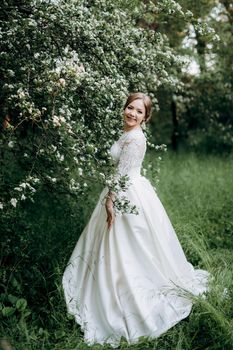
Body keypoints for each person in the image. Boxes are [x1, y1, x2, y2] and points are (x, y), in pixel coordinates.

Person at [62, 92, 209, 348]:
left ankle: (126, 291)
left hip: (124, 194)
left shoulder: (136, 139)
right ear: (125, 108)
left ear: (146, 117)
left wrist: (110, 200)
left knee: (127, 243)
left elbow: (121, 174)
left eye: (139, 112)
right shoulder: (127, 134)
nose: (132, 113)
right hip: (122, 188)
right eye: (130, 108)